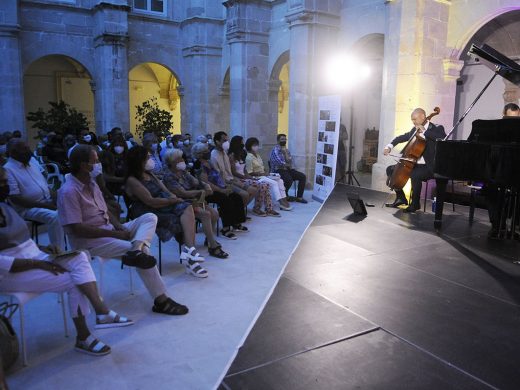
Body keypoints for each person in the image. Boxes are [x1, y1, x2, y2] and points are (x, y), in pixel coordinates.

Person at [0, 166, 132, 357]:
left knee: (79, 257)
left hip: (34, 257)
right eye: (1, 183)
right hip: (10, 272)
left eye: (5, 181)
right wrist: (36, 263)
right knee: (75, 281)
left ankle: (101, 312)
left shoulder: (4, 206)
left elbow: (18, 240)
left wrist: (41, 249)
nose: (6, 187)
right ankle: (84, 336)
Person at [58, 145, 189, 314]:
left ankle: (136, 249)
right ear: (84, 165)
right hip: (90, 242)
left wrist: (119, 226)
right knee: (145, 254)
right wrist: (115, 233)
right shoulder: (69, 192)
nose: (99, 164)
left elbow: (104, 209)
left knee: (150, 217)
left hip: (109, 230)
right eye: (95, 161)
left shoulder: (91, 183)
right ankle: (161, 300)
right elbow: (77, 229)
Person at [125, 146, 209, 278]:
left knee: (187, 207)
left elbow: (164, 189)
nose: (150, 159)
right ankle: (191, 259)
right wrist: (172, 201)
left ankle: (190, 253)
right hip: (147, 211)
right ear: (138, 160)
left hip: (163, 203)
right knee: (181, 217)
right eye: (147, 157)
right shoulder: (132, 180)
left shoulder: (150, 174)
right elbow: (150, 201)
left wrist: (173, 197)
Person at [162, 149, 229, 258]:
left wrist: (206, 186)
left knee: (215, 214)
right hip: (180, 204)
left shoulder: (183, 173)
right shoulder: (169, 176)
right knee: (206, 214)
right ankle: (213, 245)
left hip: (194, 201)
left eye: (182, 158)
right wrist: (200, 191)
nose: (182, 160)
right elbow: (182, 193)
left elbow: (196, 182)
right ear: (172, 162)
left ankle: (209, 238)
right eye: (179, 159)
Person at [4, 139, 66, 251]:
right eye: (25, 149)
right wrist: (47, 206)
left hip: (46, 202)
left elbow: (46, 187)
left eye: (28, 148)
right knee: (55, 216)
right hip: (27, 209)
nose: (29, 151)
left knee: (73, 205)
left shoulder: (32, 162)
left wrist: (57, 198)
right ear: (13, 152)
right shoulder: (8, 169)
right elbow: (15, 198)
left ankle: (83, 245)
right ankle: (59, 252)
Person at [384, 107, 446, 213]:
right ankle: (401, 198)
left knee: (415, 174)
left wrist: (425, 132)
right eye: (412, 120)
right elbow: (401, 137)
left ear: (422, 116)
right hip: (415, 164)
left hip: (431, 166)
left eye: (414, 119)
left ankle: (415, 204)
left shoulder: (437, 128)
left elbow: (442, 138)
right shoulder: (414, 130)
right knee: (390, 169)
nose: (413, 122)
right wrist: (389, 146)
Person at [192, 142, 247, 239]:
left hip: (218, 188)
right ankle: (225, 228)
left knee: (236, 196)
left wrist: (225, 186)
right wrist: (221, 190)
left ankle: (236, 223)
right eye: (205, 151)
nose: (208, 152)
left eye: (207, 150)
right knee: (225, 199)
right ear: (199, 154)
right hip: (207, 191)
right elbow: (206, 183)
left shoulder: (209, 163)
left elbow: (218, 177)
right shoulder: (198, 165)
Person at [229, 136, 280, 217]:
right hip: (237, 179)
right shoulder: (231, 156)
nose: (243, 144)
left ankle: (269, 208)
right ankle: (256, 208)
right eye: (241, 142)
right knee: (261, 185)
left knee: (265, 185)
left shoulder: (241, 154)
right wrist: (246, 177)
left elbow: (245, 170)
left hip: (245, 178)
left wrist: (249, 177)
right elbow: (233, 172)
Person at [211, 131, 257, 213]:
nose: (226, 142)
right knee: (245, 195)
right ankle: (239, 213)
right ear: (217, 141)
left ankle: (239, 211)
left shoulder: (224, 153)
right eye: (224, 140)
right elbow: (218, 175)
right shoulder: (214, 155)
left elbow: (229, 171)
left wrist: (235, 179)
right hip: (224, 183)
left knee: (253, 190)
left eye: (227, 140)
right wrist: (229, 182)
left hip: (232, 179)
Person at [245, 137, 292, 211]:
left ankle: (284, 199)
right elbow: (249, 172)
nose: (256, 146)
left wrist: (266, 172)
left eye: (257, 144)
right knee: (274, 183)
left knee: (280, 181)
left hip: (264, 175)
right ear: (249, 146)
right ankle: (280, 202)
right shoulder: (249, 157)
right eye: (254, 145)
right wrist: (261, 173)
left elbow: (262, 166)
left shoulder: (257, 155)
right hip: (257, 177)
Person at [269, 134, 308, 203]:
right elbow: (279, 162)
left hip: (287, 169)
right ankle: (284, 195)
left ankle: (299, 197)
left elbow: (290, 161)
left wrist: (285, 154)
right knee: (288, 179)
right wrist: (286, 164)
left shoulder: (286, 150)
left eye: (285, 139)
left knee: (302, 176)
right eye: (282, 139)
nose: (284, 141)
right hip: (278, 170)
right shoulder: (275, 150)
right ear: (278, 141)